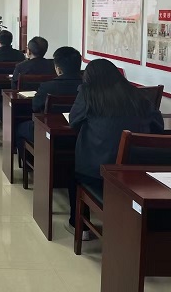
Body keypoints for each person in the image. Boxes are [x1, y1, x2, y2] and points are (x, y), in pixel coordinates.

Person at [66, 59, 164, 239]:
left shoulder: (88, 94)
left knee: (74, 175)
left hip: (98, 172)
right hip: (136, 172)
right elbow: (158, 126)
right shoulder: (138, 95)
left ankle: (80, 226)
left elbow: (73, 122)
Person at [15, 46, 83, 153]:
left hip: (50, 134)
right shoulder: (89, 88)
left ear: (58, 69)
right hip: (80, 134)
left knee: (20, 128)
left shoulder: (48, 87)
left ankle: (29, 160)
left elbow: (35, 107)